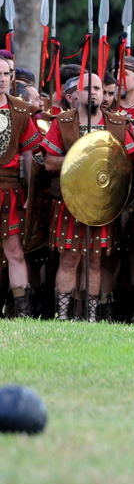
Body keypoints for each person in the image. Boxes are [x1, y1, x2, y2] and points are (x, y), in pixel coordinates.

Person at [41, 72, 134, 321]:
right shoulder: (63, 122)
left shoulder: (117, 123)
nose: (95, 93)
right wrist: (80, 159)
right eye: (88, 88)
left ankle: (91, 317)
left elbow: (130, 162)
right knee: (69, 259)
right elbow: (49, 162)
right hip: (69, 201)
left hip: (103, 203)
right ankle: (64, 316)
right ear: (76, 94)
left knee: (95, 261)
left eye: (98, 88)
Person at [0, 61, 45, 318]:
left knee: (15, 252)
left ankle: (23, 312)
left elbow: (29, 155)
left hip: (10, 190)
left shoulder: (20, 110)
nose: (2, 78)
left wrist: (31, 194)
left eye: (6, 74)